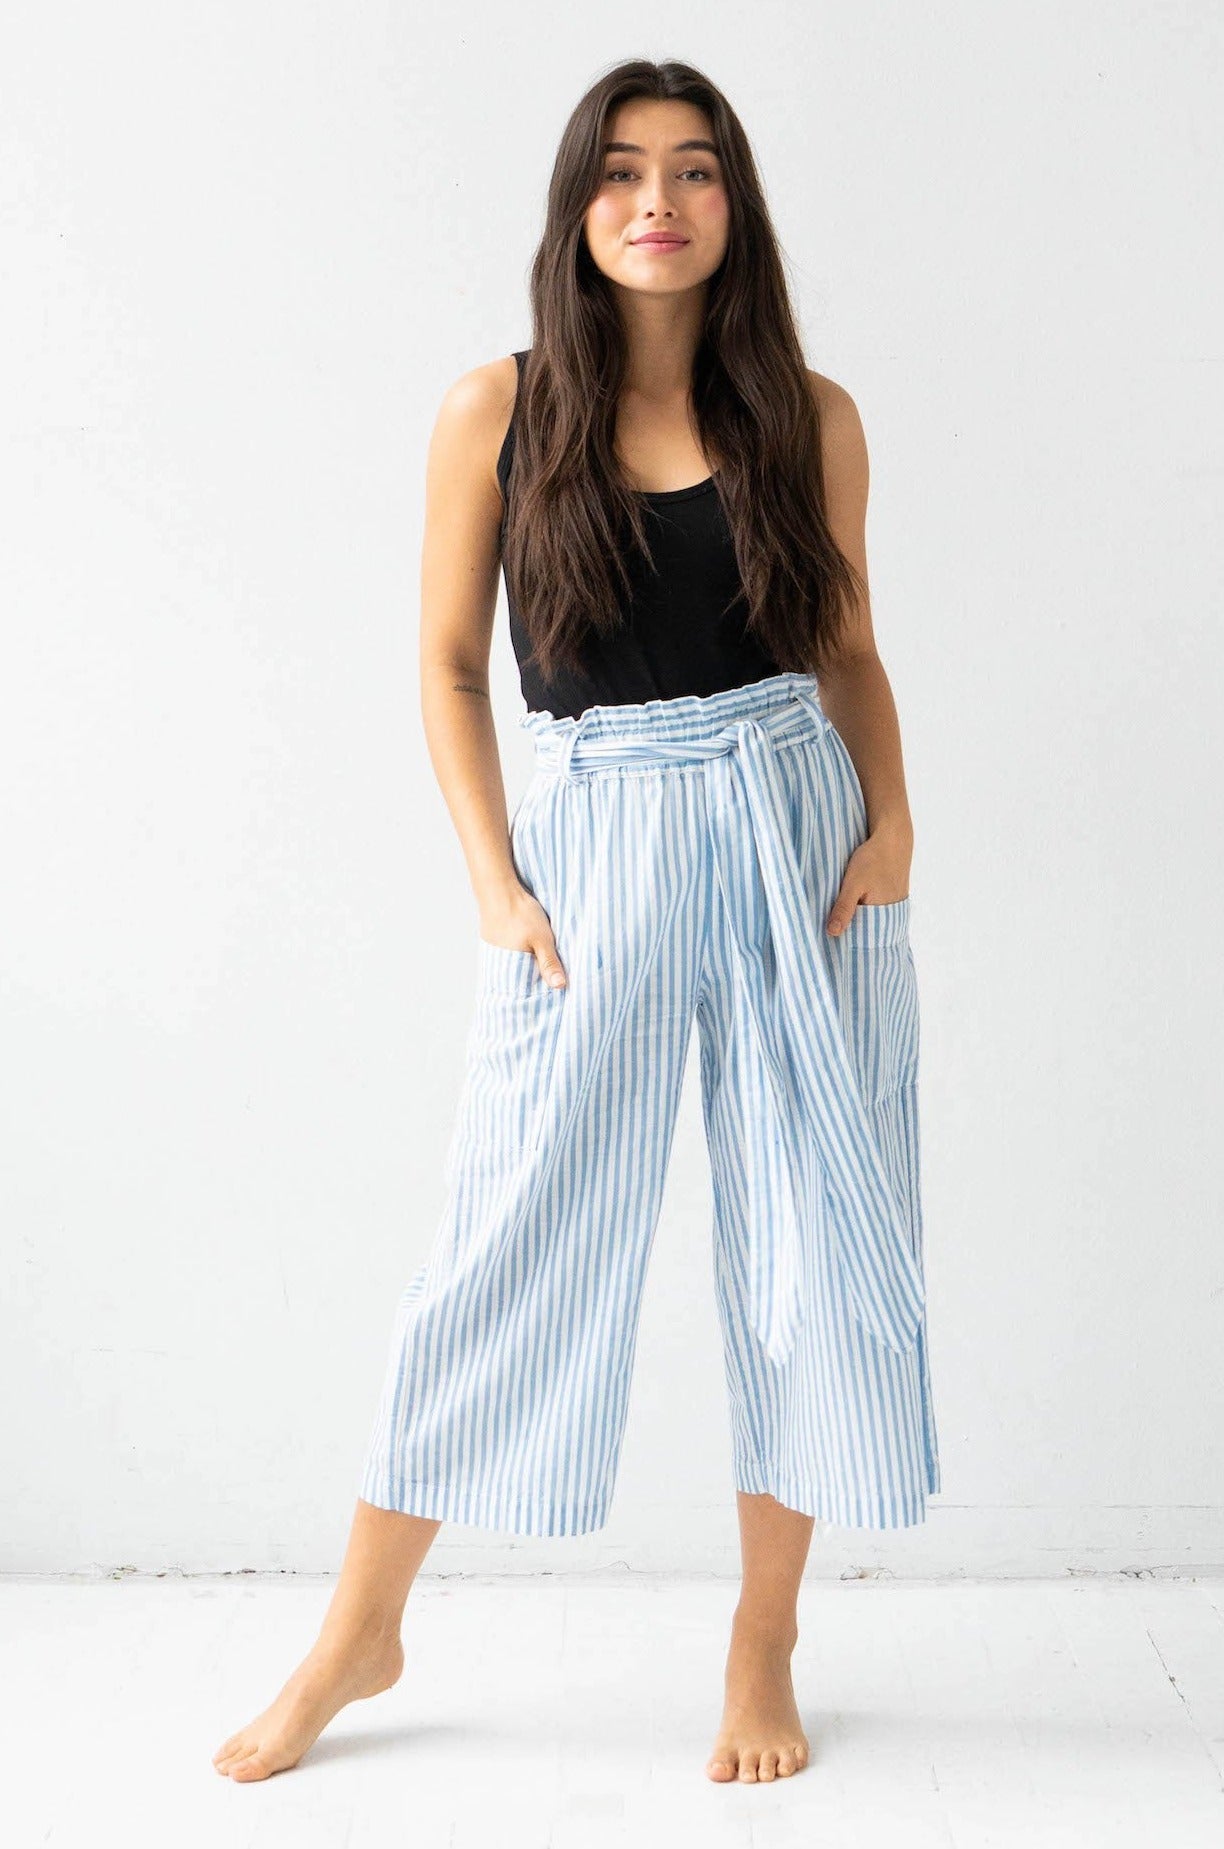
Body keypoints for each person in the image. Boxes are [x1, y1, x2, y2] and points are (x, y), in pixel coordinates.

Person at [212, 56, 939, 1789]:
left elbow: (842, 648)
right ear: (578, 206)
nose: (659, 203)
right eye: (623, 174)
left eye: (694, 172)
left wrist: (894, 812)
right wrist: (494, 880)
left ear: (733, 207)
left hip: (792, 826)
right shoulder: (499, 410)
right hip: (594, 837)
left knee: (808, 1245)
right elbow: (451, 668)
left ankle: (764, 1636)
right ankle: (357, 1629)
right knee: (509, 1233)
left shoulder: (812, 414)